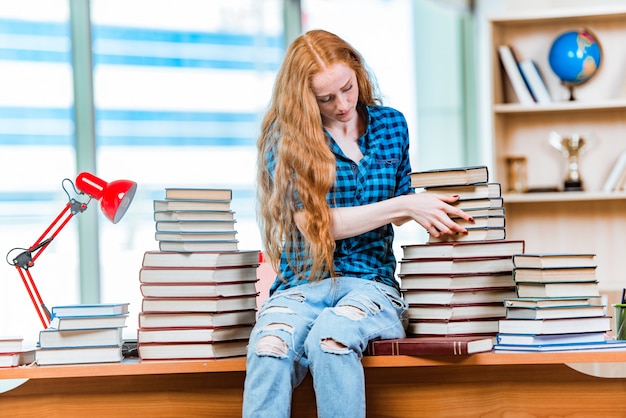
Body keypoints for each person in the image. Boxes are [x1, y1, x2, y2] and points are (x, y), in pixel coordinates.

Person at [243, 29, 472, 418]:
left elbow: (402, 211)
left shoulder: (391, 126)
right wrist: (405, 204)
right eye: (326, 98)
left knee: (331, 339)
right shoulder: (285, 139)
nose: (343, 104)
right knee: (270, 347)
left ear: (357, 72)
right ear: (303, 99)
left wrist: (426, 211)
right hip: (301, 286)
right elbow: (318, 225)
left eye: (347, 89)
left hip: (371, 285)